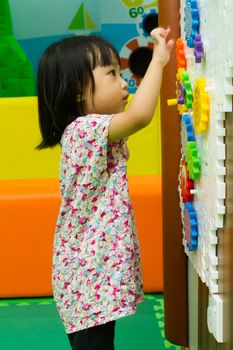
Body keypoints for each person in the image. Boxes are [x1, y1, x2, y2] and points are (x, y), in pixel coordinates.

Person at [36, 27, 174, 350]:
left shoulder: (95, 131)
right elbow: (141, 115)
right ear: (76, 91)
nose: (123, 82)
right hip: (86, 283)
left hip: (90, 279)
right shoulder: (83, 130)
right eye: (111, 74)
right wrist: (159, 60)